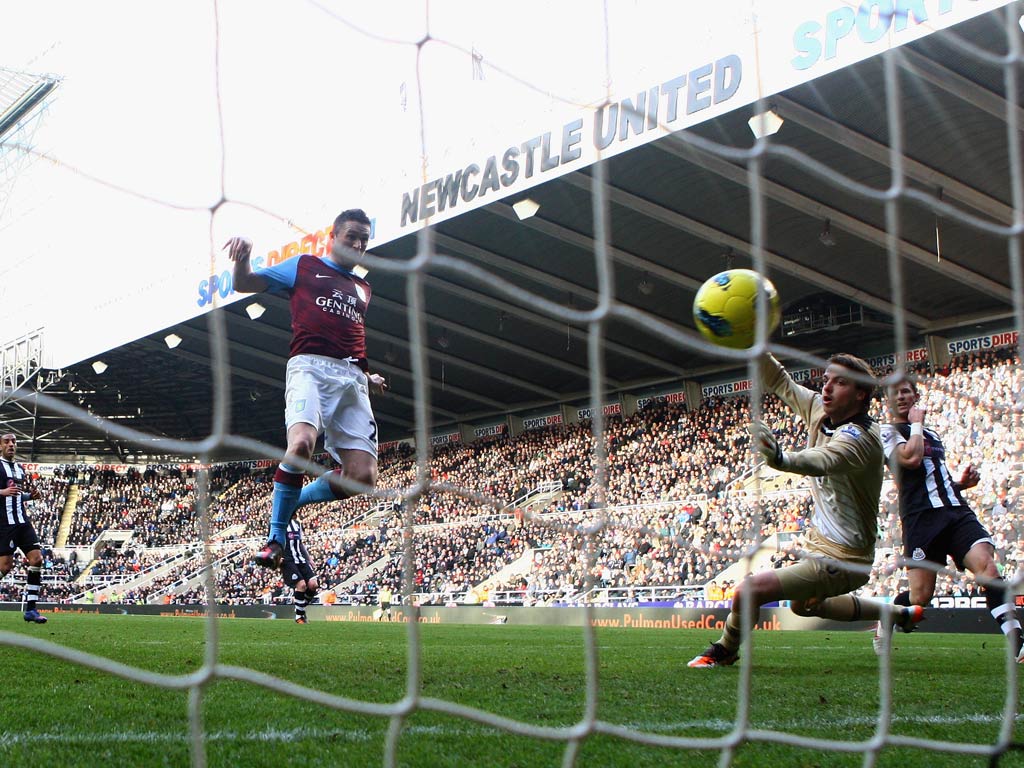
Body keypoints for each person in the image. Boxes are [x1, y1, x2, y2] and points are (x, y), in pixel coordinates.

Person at [688, 353, 922, 668]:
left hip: (844, 557)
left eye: (840, 383)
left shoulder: (864, 438)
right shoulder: (819, 409)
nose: (826, 388)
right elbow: (780, 382)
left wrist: (782, 459)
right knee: (803, 606)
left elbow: (824, 460)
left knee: (748, 591)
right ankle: (894, 613)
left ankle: (724, 650)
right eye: (826, 379)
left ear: (861, 394)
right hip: (820, 546)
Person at [225, 209, 387, 569]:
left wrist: (367, 375)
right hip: (309, 368)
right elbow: (245, 282)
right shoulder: (304, 266)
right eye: (352, 236)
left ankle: (292, 501)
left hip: (351, 380)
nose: (359, 244)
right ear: (334, 236)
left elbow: (350, 337)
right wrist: (244, 258)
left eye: (364, 239)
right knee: (300, 444)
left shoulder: (363, 289)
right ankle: (275, 537)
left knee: (363, 479)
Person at [874, 379, 1023, 660]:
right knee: (921, 596)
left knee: (988, 568)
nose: (901, 397)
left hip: (955, 511)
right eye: (895, 393)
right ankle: (889, 613)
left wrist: (960, 485)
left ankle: (1018, 643)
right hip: (921, 519)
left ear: (916, 395)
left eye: (906, 391)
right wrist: (916, 424)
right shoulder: (886, 431)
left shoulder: (932, 433)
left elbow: (933, 480)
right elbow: (911, 460)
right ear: (888, 402)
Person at [0, 432, 48, 623]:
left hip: (23, 522)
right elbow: (6, 493)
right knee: (5, 566)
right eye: (7, 442)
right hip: (5, 524)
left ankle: (31, 610)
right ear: (0, 446)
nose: (11, 444)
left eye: (14, 441)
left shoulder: (19, 469)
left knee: (36, 560)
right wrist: (2, 491)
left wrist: (30, 496)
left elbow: (16, 495)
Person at [281, 516, 318, 625]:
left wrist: (309, 558)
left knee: (313, 584)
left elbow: (300, 543)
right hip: (287, 560)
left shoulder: (297, 523)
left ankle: (299, 609)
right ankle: (299, 617)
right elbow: (272, 541)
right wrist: (277, 557)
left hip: (300, 559)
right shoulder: (280, 523)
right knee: (301, 585)